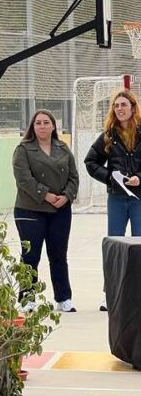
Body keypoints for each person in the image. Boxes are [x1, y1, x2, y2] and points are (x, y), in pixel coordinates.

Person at [13, 110, 78, 313]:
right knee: (30, 255)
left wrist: (66, 196)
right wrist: (47, 195)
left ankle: (64, 298)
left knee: (58, 254)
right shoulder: (23, 149)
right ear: (33, 127)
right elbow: (24, 179)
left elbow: (74, 177)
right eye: (38, 123)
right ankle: (27, 298)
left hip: (61, 210)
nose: (42, 126)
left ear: (53, 126)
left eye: (46, 122)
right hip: (31, 209)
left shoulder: (63, 148)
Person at [84, 90, 141, 312]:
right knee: (114, 246)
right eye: (116, 105)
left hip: (139, 199)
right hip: (116, 199)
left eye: (123, 104)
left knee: (139, 245)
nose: (119, 108)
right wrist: (109, 177)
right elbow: (90, 162)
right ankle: (110, 293)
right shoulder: (108, 135)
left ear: (133, 107)